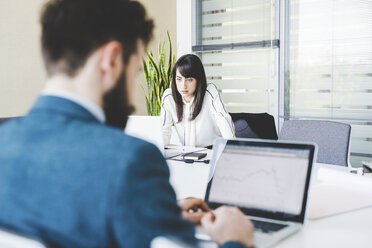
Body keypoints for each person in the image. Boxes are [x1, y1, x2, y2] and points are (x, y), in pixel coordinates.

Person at [0, 0, 254, 248]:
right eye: (135, 72)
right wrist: (235, 239)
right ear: (112, 60)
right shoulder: (131, 162)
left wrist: (150, 208)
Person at [161, 54, 235, 147]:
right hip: (187, 153)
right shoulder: (169, 97)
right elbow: (164, 131)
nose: (183, 85)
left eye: (189, 80)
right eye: (179, 79)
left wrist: (232, 149)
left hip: (211, 150)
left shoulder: (209, 92)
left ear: (198, 80)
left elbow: (223, 121)